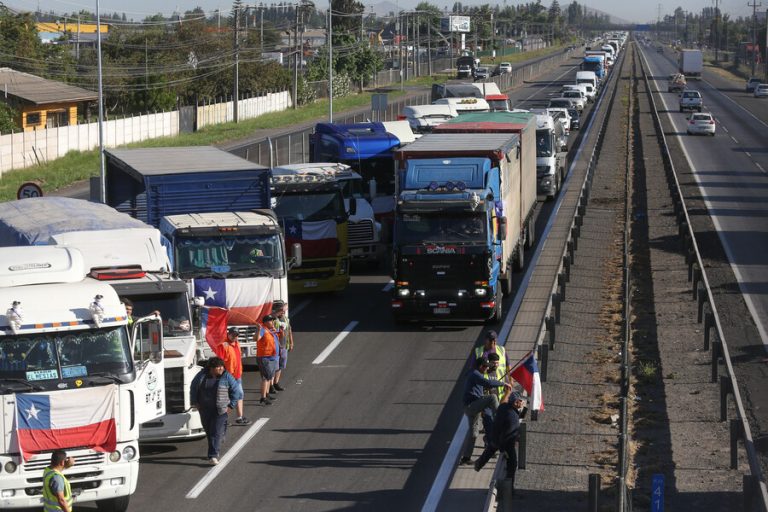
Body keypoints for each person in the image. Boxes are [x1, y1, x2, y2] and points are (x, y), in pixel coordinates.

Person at [474, 389, 526, 498]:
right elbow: (512, 432)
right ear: (515, 402)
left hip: (496, 436)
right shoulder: (512, 417)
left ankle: (479, 463)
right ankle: (508, 489)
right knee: (512, 464)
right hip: (505, 443)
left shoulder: (504, 407)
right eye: (520, 401)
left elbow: (512, 417)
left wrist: (523, 411)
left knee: (492, 447)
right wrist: (507, 447)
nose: (522, 403)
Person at [190, 357, 242, 465]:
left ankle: (213, 456)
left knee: (215, 432)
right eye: (218, 367)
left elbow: (236, 390)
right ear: (211, 368)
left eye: (222, 366)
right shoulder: (201, 376)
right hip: (204, 409)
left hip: (220, 410)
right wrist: (195, 402)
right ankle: (215, 446)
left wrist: (231, 405)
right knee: (209, 432)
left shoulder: (226, 376)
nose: (221, 369)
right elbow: (193, 388)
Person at [459, 356, 511, 465]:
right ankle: (501, 417)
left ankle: (465, 458)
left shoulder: (474, 373)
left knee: (474, 434)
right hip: (471, 406)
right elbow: (488, 383)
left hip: (473, 407)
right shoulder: (475, 374)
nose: (487, 369)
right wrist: (504, 383)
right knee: (492, 397)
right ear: (480, 366)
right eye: (485, 367)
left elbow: (480, 386)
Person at [214, 327, 249, 425]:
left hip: (237, 375)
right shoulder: (223, 345)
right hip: (228, 376)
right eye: (233, 334)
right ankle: (223, 419)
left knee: (239, 395)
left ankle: (239, 417)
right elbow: (219, 362)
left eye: (236, 335)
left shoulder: (237, 343)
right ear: (228, 334)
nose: (235, 337)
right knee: (229, 397)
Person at [255, 314, 280, 405]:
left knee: (269, 377)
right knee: (266, 377)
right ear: (265, 322)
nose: (272, 322)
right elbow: (257, 338)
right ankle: (263, 397)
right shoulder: (262, 330)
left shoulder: (270, 330)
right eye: (270, 320)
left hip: (272, 357)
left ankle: (267, 394)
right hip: (265, 358)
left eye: (272, 320)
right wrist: (258, 329)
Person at [271, 300, 294, 393]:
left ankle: (276, 382)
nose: (284, 312)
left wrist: (291, 342)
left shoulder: (285, 318)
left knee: (281, 365)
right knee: (274, 366)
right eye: (282, 310)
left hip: (284, 345)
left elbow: (289, 330)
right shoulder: (272, 319)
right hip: (276, 346)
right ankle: (271, 385)